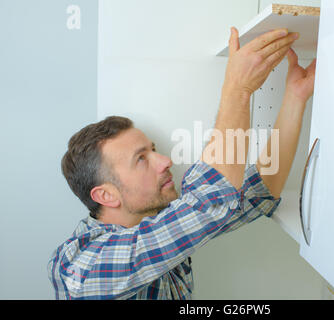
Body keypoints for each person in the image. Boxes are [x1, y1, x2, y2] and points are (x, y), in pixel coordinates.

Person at [47, 27, 316, 299]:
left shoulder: (156, 223)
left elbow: (258, 192)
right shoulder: (82, 269)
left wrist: (296, 96)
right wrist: (238, 89)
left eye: (153, 150)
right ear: (106, 195)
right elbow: (210, 200)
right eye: (141, 159)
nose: (165, 160)